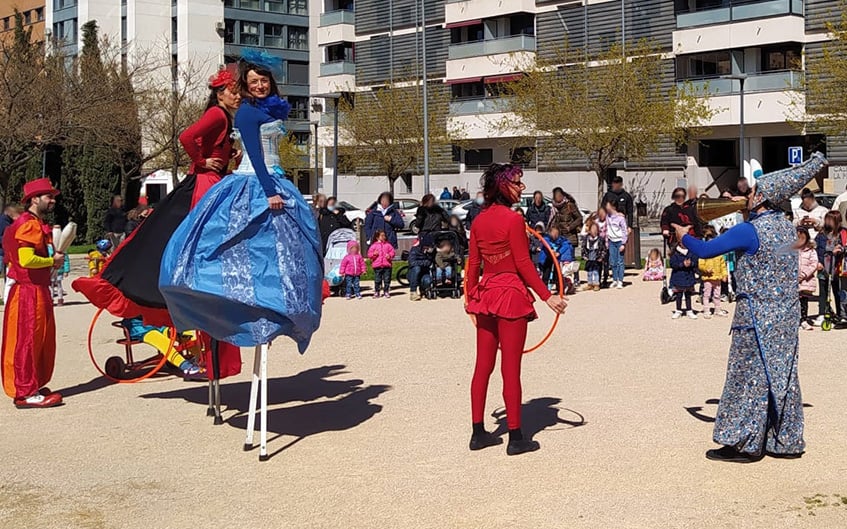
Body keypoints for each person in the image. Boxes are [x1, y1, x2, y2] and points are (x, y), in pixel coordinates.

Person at [73, 66, 244, 380]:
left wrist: (226, 155)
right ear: (220, 94)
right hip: (206, 183)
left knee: (165, 238)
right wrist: (201, 160)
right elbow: (186, 137)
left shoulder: (225, 119)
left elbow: (203, 143)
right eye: (233, 90)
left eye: (238, 90)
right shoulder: (218, 116)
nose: (238, 95)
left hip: (213, 180)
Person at [159, 52, 324, 353]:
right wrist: (269, 191)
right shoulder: (247, 112)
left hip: (274, 177)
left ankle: (277, 306)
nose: (260, 86)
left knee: (281, 248)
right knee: (244, 242)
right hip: (257, 181)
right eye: (253, 82)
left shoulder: (268, 109)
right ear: (245, 86)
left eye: (264, 81)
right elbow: (258, 157)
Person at [676, 152, 826, 462]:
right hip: (785, 315)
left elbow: (705, 250)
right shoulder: (788, 228)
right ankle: (784, 441)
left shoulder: (749, 230)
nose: (748, 195)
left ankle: (743, 443)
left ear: (762, 199)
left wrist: (684, 237)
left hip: (755, 317)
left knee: (747, 377)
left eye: (754, 191)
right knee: (781, 376)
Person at [465, 163, 567, 456]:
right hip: (510, 297)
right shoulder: (512, 220)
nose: (522, 187)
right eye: (518, 183)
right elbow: (523, 264)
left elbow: (473, 264)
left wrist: (470, 298)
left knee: (482, 366)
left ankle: (478, 432)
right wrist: (548, 297)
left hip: (485, 296)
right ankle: (516, 437)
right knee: (511, 368)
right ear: (504, 186)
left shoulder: (479, 221)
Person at [1, 178, 64, 408]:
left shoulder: (31, 222)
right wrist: (52, 260)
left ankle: (32, 384)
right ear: (34, 199)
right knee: (27, 341)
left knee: (38, 339)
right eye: (48, 196)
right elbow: (27, 259)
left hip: (34, 289)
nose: (53, 200)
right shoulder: (28, 224)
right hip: (28, 291)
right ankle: (25, 391)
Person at [813, 210, 846, 325]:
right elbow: (816, 248)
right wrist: (817, 262)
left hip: (836, 266)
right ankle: (822, 313)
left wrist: (840, 249)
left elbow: (844, 246)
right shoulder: (822, 234)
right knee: (823, 291)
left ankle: (840, 313)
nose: (827, 222)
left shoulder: (842, 233)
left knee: (837, 291)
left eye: (830, 220)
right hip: (824, 265)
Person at [698, 226, 728, 319]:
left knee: (717, 295)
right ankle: (706, 310)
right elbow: (700, 264)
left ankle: (717, 310)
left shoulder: (718, 254)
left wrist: (724, 274)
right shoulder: (704, 254)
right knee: (706, 295)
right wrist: (705, 269)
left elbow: (723, 265)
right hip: (708, 278)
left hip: (717, 278)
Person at [797, 226, 818, 331]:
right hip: (794, 279)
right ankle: (795, 320)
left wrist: (804, 274)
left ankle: (804, 320)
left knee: (804, 301)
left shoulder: (811, 250)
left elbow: (814, 264)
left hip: (806, 279)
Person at [669, 244, 698, 319]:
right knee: (679, 295)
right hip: (678, 277)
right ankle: (678, 310)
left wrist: (691, 264)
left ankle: (689, 310)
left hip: (689, 277)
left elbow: (696, 262)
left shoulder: (691, 252)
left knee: (688, 295)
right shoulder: (675, 253)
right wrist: (682, 264)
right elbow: (672, 264)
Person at [606, 200, 628, 289]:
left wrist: (623, 243)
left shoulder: (620, 218)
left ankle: (620, 280)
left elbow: (624, 231)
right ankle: (614, 279)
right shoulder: (608, 217)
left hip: (619, 241)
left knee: (620, 262)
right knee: (613, 261)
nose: (606, 208)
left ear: (613, 207)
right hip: (611, 241)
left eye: (608, 206)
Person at [367, 229, 395, 298]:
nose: (383, 237)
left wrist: (390, 255)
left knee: (387, 279)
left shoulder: (388, 245)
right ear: (377, 237)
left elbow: (393, 252)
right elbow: (369, 254)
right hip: (377, 266)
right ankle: (377, 291)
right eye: (381, 236)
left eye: (384, 236)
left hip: (387, 265)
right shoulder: (374, 246)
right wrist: (374, 254)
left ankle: (386, 291)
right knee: (377, 280)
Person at [408, 233, 435, 301]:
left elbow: (430, 262)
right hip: (413, 273)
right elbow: (412, 262)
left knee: (428, 280)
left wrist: (428, 257)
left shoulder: (430, 252)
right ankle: (413, 291)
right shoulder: (415, 249)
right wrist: (424, 262)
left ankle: (423, 289)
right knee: (417, 268)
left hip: (425, 272)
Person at [581, 222, 606, 291]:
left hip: (596, 257)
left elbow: (604, 249)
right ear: (589, 230)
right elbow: (583, 248)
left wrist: (601, 257)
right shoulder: (586, 239)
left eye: (595, 230)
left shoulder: (600, 239)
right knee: (589, 272)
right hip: (589, 257)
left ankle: (596, 284)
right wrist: (583, 256)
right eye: (592, 229)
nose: (594, 231)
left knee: (595, 271)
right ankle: (590, 284)